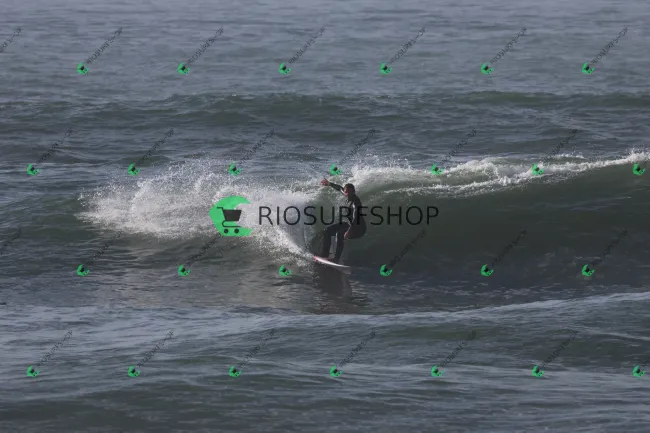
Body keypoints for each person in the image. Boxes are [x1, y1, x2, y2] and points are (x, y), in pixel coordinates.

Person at [317, 179, 366, 263]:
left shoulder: (356, 203)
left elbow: (355, 219)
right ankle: (325, 254)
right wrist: (329, 183)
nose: (347, 194)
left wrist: (349, 231)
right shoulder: (346, 194)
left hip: (359, 228)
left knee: (340, 234)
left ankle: (336, 259)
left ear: (353, 192)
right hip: (350, 224)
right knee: (328, 230)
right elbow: (339, 188)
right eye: (346, 192)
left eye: (349, 192)